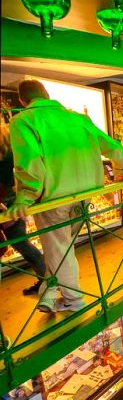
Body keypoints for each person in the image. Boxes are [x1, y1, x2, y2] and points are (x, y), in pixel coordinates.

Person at [8, 80, 123, 313]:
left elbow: (30, 163)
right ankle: (49, 292)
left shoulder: (23, 120)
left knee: (59, 249)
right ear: (46, 94)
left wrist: (24, 197)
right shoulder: (78, 119)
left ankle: (73, 301)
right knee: (62, 248)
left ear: (23, 101)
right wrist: (122, 172)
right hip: (87, 194)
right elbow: (114, 147)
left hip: (54, 197)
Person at [0, 123, 46, 295]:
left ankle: (47, 281)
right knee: (21, 242)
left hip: (5, 201)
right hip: (11, 197)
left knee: (21, 243)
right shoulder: (9, 143)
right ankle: (47, 280)